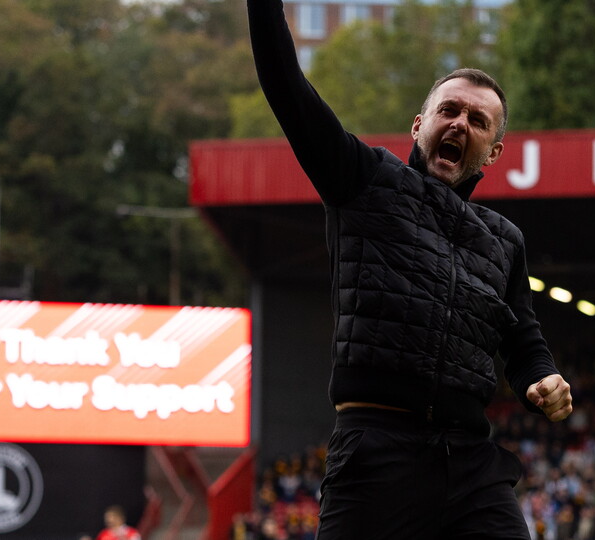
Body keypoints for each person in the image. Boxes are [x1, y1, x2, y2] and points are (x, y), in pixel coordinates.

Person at [246, 1, 574, 538]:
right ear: (420, 125)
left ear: (492, 153)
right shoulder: (365, 181)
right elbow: (287, 87)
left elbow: (523, 342)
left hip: (471, 464)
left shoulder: (505, 240)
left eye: (477, 120)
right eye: (449, 111)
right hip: (375, 454)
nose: (459, 123)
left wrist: (543, 377)